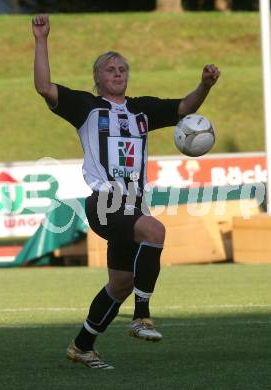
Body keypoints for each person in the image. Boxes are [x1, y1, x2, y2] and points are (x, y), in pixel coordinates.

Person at [32, 14, 220, 369]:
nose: (118, 73)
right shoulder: (86, 107)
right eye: (110, 69)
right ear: (98, 78)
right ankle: (142, 317)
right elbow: (44, 86)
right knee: (155, 230)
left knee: (120, 284)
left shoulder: (141, 109)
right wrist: (41, 39)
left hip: (131, 205)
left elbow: (185, 108)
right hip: (104, 202)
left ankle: (82, 346)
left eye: (122, 69)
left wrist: (205, 85)